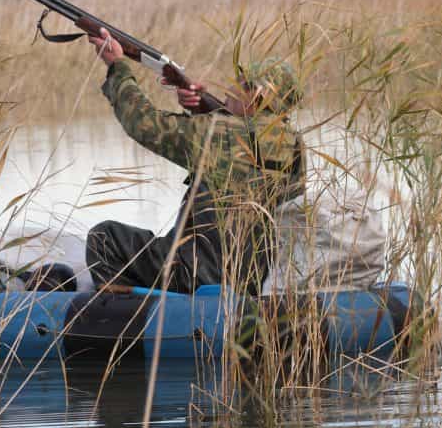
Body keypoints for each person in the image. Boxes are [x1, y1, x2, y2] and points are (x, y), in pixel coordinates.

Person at [84, 28, 306, 294]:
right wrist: (200, 109)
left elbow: (143, 124)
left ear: (256, 95)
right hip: (254, 277)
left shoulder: (217, 132)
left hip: (195, 274)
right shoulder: (294, 145)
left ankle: (125, 323)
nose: (230, 90)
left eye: (239, 83)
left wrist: (117, 67)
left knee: (104, 238)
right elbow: (244, 147)